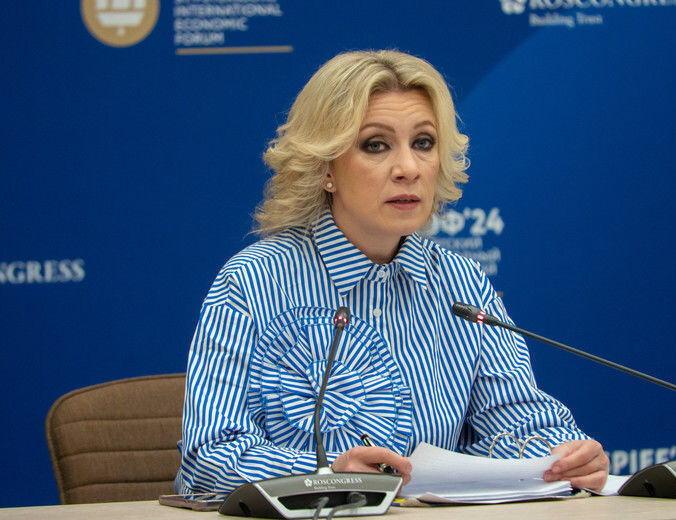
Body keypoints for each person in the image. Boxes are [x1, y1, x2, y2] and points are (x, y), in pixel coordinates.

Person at [175, 50, 609, 496]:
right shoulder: (254, 282)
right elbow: (207, 459)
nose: (408, 169)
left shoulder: (461, 283)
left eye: (423, 143)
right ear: (325, 167)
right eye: (376, 145)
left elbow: (519, 420)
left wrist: (562, 455)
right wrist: (328, 474)